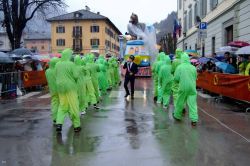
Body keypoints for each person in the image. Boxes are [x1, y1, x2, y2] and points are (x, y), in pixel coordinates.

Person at [55, 48, 81, 133]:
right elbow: (76, 76)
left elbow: (56, 74)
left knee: (62, 106)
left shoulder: (57, 64)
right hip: (70, 87)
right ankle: (76, 126)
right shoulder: (71, 64)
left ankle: (59, 124)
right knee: (74, 105)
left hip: (60, 87)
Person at [173, 53, 198, 126]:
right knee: (192, 104)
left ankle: (177, 116)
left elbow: (176, 78)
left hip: (183, 87)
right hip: (192, 88)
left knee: (180, 102)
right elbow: (195, 77)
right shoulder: (193, 67)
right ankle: (194, 119)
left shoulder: (179, 67)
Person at [45, 57, 59, 125]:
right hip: (60, 89)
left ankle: (54, 118)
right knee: (63, 105)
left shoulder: (47, 71)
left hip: (52, 89)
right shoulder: (58, 70)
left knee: (54, 104)